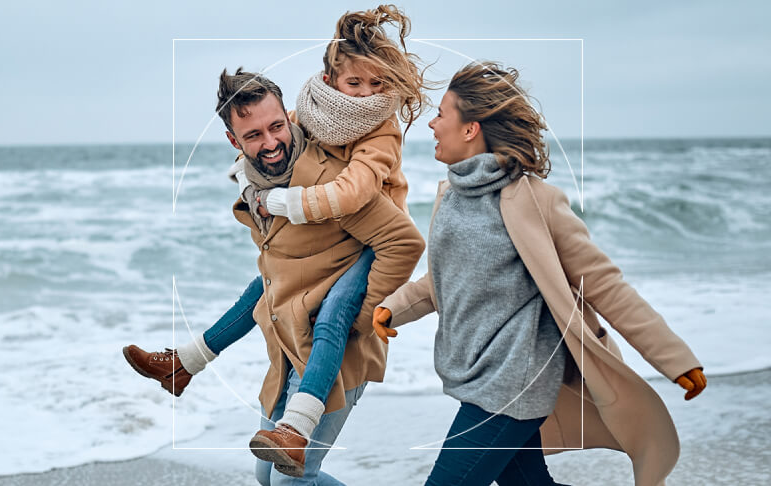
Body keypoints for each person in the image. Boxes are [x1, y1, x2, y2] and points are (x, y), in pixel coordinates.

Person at [123, 5, 428, 482]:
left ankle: (189, 366)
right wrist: (256, 194)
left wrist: (362, 315)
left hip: (334, 352)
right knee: (268, 479)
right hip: (289, 342)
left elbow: (404, 242)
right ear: (233, 140)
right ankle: (183, 364)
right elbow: (275, 266)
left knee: (290, 481)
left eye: (276, 127)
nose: (270, 141)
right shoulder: (268, 177)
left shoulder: (335, 178)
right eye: (253, 134)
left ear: (290, 119)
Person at [373, 62, 707, 486]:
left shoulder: (534, 201)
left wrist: (674, 359)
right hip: (474, 374)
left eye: (441, 113)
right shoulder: (451, 196)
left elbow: (604, 284)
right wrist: (393, 308)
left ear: (471, 128)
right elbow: (441, 282)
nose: (432, 123)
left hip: (517, 379)